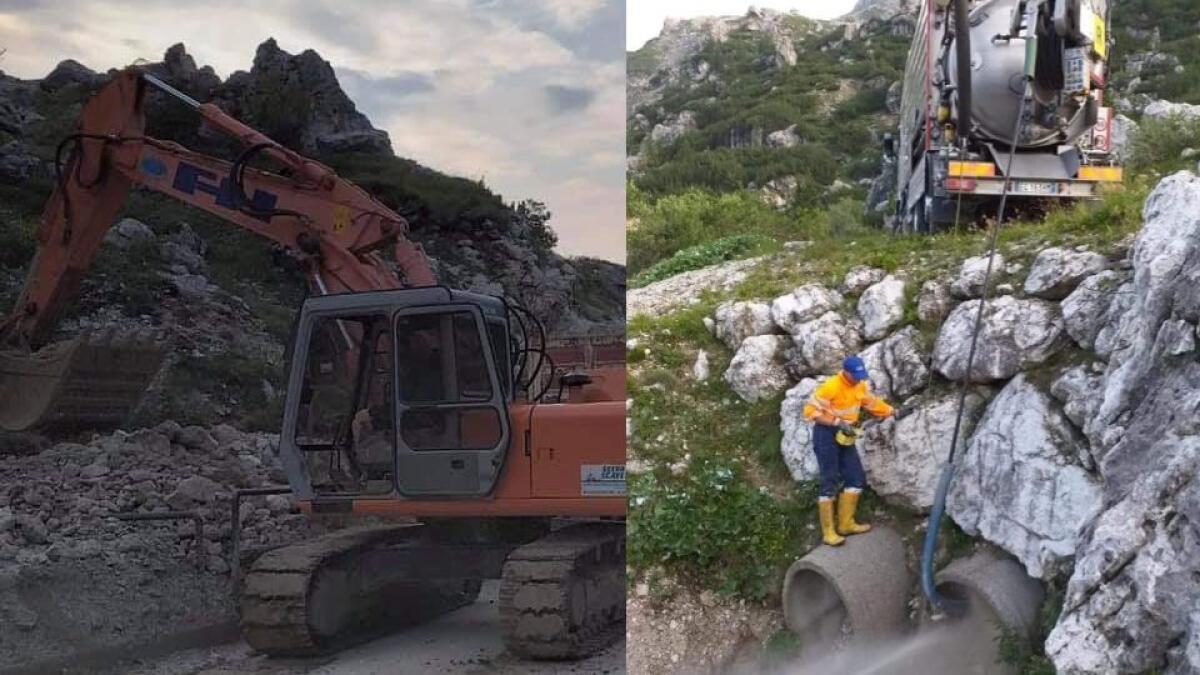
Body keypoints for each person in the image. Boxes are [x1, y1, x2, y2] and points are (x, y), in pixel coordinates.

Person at [803, 355, 894, 546]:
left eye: (861, 375)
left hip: (846, 435)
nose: (859, 379)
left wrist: (891, 411)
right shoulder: (831, 387)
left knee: (855, 477)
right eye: (855, 375)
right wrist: (836, 422)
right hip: (826, 434)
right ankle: (828, 532)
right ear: (846, 372)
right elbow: (811, 412)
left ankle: (846, 523)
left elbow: (871, 403)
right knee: (830, 478)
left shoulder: (859, 386)